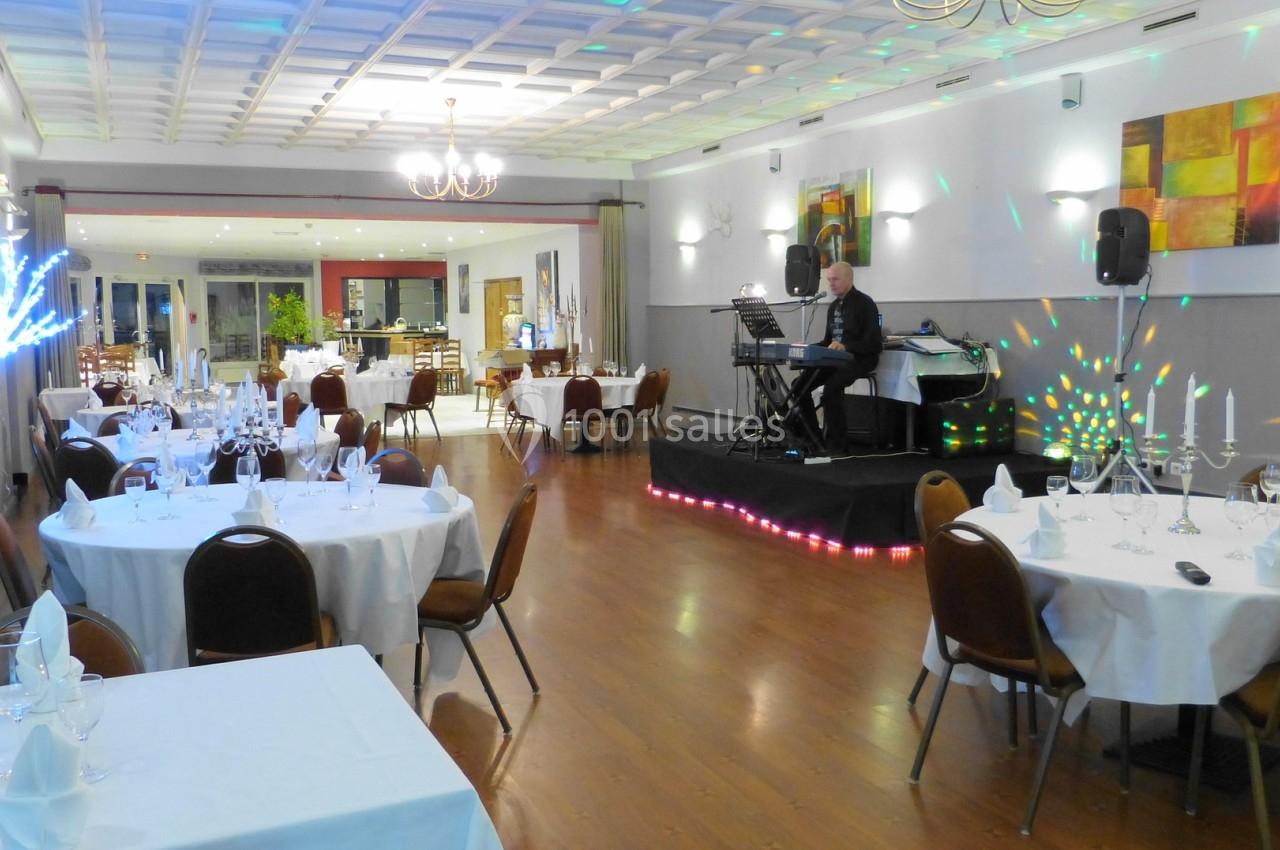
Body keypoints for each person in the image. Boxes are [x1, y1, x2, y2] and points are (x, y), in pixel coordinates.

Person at [795, 261, 882, 454]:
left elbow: (874, 344)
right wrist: (808, 347)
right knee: (798, 385)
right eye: (829, 280)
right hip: (834, 359)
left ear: (849, 279)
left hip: (860, 359)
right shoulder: (833, 306)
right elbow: (828, 341)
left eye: (835, 279)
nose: (831, 284)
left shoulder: (865, 304)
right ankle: (814, 438)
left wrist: (846, 346)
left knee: (832, 388)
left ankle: (838, 443)